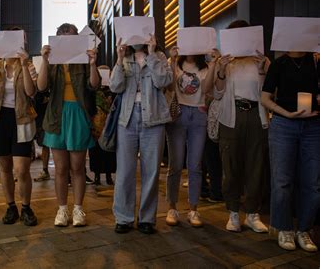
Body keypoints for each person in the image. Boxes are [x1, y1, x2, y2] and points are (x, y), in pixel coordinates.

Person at [37, 23, 100, 227]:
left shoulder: (82, 60)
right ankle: (62, 209)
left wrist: (92, 64)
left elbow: (94, 85)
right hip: (56, 114)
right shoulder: (53, 61)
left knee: (77, 167)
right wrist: (45, 61)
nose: (68, 42)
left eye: (72, 38)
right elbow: (41, 87)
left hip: (78, 113)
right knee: (61, 168)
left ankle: (78, 209)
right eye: (63, 38)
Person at [110, 34, 173, 234]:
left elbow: (164, 81)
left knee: (151, 171)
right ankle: (123, 217)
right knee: (125, 171)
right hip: (126, 119)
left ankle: (147, 219)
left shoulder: (160, 56)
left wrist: (152, 54)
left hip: (154, 118)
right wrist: (119, 59)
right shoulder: (124, 57)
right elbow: (115, 86)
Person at [214, 20, 270, 233]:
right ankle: (234, 212)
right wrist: (220, 69)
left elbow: (269, 92)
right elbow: (218, 93)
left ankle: (253, 214)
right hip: (231, 116)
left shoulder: (261, 61)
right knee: (231, 165)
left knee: (256, 166)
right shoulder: (226, 62)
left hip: (256, 114)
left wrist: (262, 69)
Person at [261, 50, 319, 252]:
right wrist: (286, 113)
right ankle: (284, 228)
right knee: (282, 180)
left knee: (312, 182)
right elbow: (265, 98)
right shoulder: (279, 64)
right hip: (284, 124)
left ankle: (304, 229)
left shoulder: (316, 61)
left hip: (313, 125)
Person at [0, 32, 39, 226]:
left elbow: (31, 92)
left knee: (22, 169)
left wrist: (23, 64)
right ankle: (11, 206)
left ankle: (26, 207)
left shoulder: (29, 66)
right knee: (4, 167)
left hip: (21, 119)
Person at [165, 46, 216, 228]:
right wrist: (171, 62)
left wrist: (214, 64)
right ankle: (172, 207)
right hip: (178, 113)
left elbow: (208, 89)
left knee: (195, 165)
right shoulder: (175, 63)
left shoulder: (205, 67)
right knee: (176, 164)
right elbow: (170, 86)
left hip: (198, 114)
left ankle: (193, 209)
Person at [89, 65, 116, 186]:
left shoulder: (112, 90)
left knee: (109, 151)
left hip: (108, 124)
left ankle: (109, 175)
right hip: (95, 125)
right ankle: (97, 176)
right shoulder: (93, 90)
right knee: (95, 151)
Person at [33, 90, 51, 182]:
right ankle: (20, 172)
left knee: (45, 144)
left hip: (44, 117)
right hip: (36, 116)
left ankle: (45, 170)